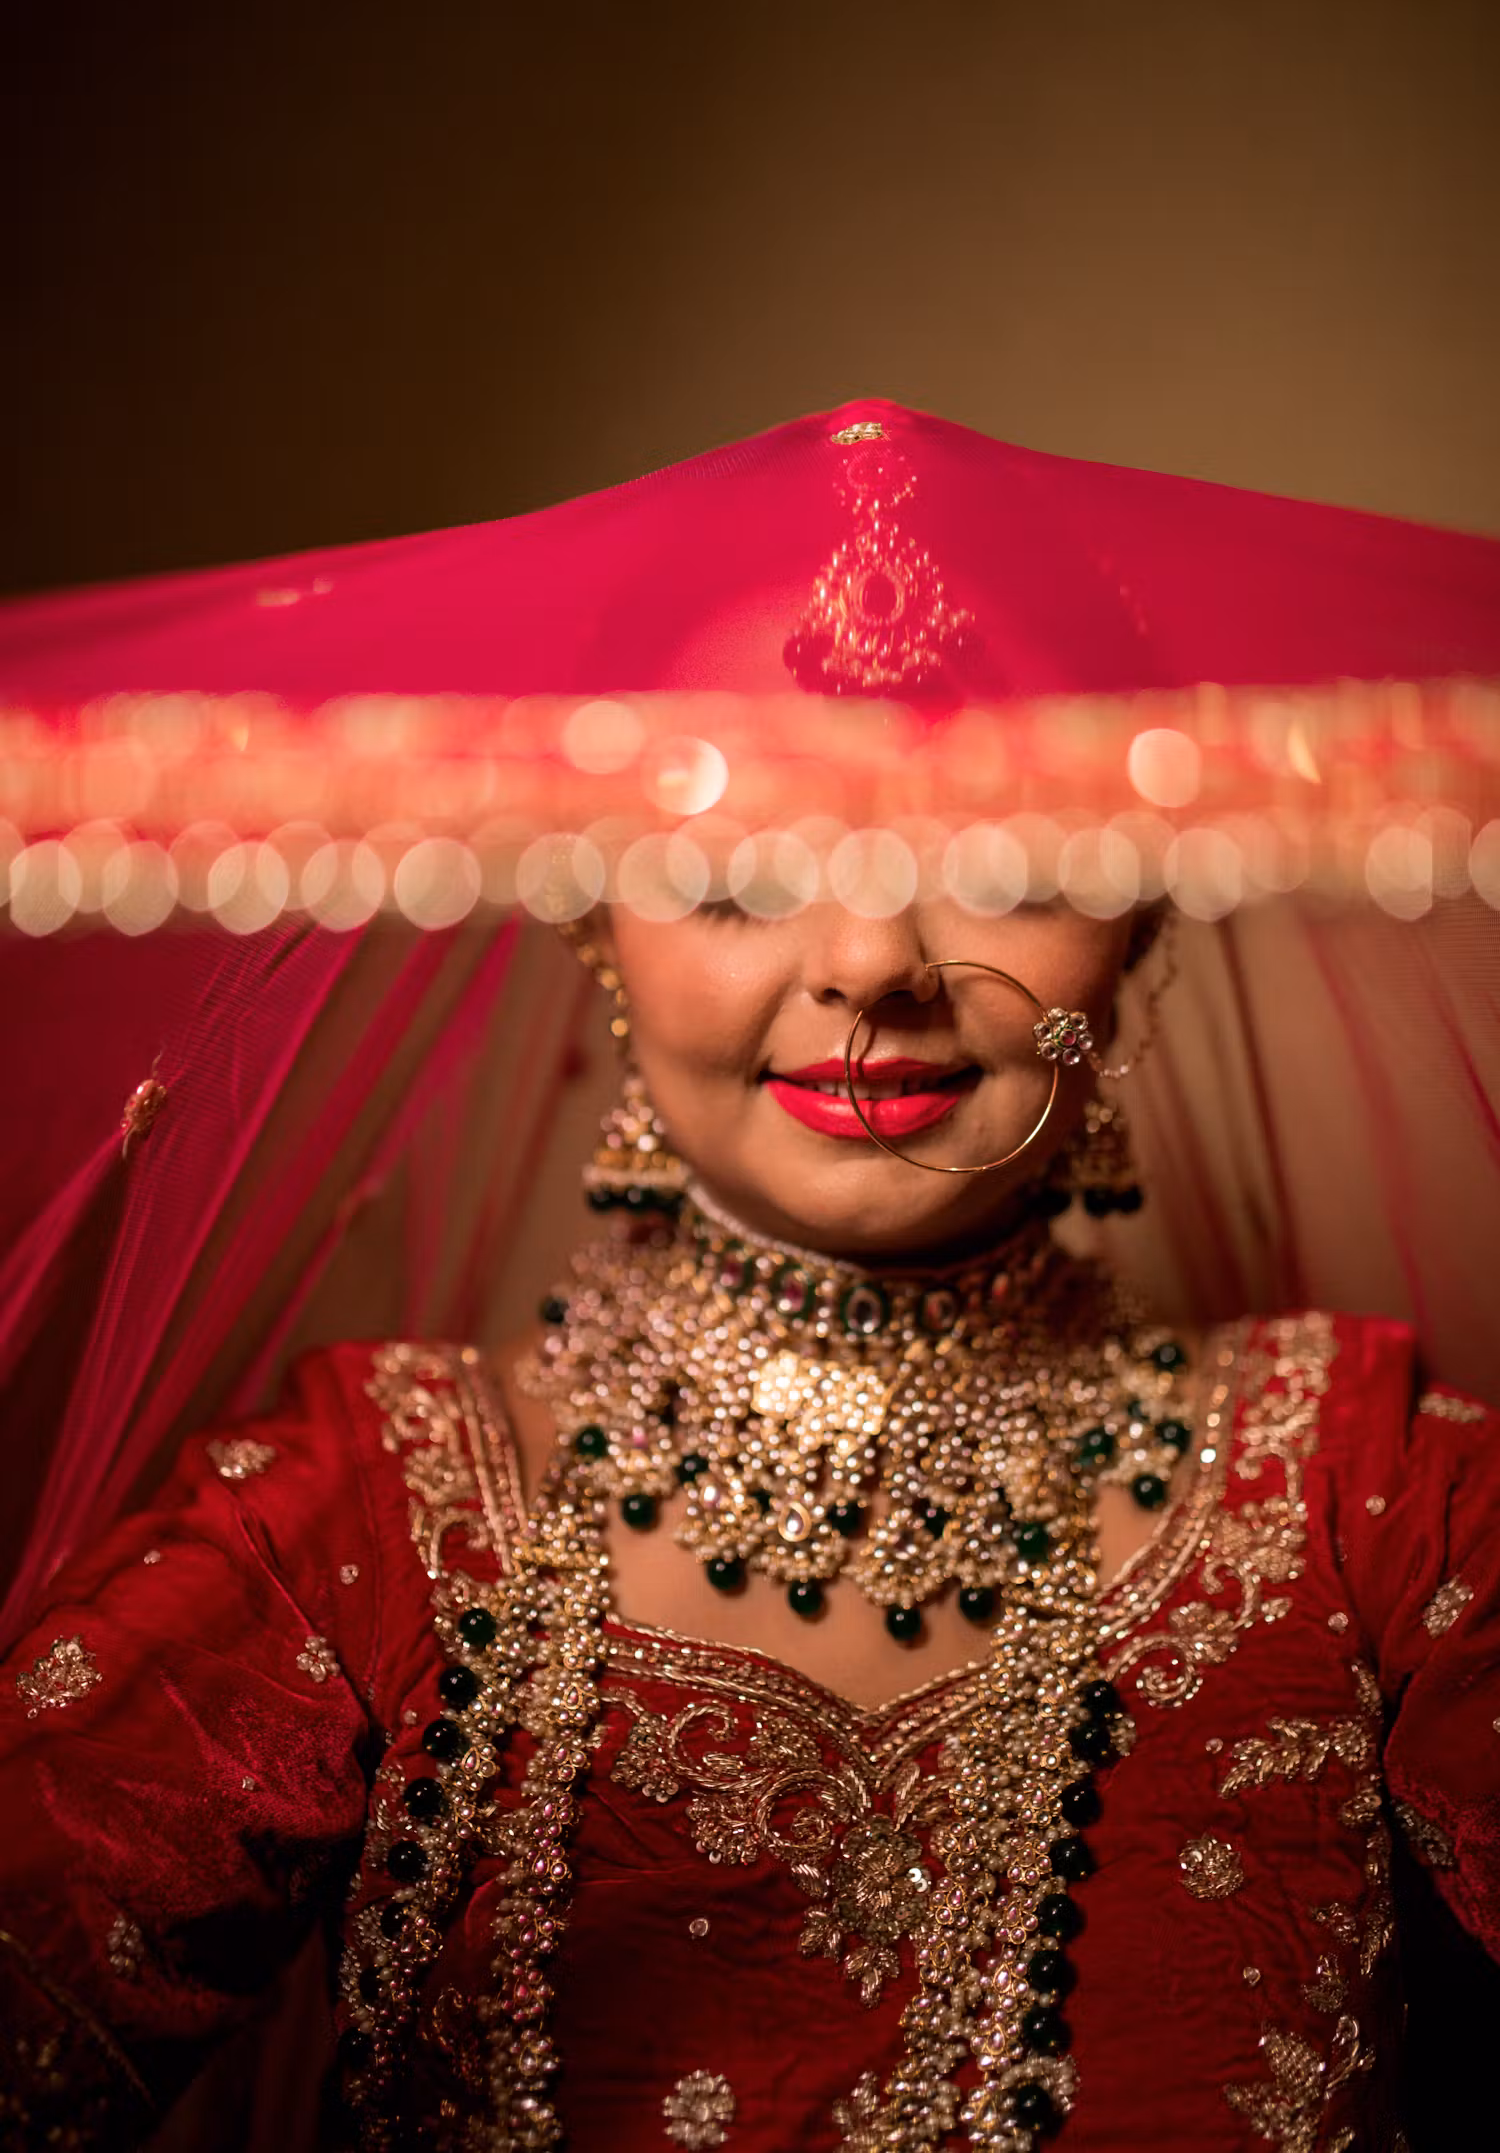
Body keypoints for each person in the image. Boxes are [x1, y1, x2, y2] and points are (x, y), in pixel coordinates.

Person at [1, 403, 1498, 2150]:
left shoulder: (1377, 1495)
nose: (871, 961)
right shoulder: (361, 1521)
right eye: (736, 867)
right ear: (587, 910)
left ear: (1149, 909)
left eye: (1003, 859)